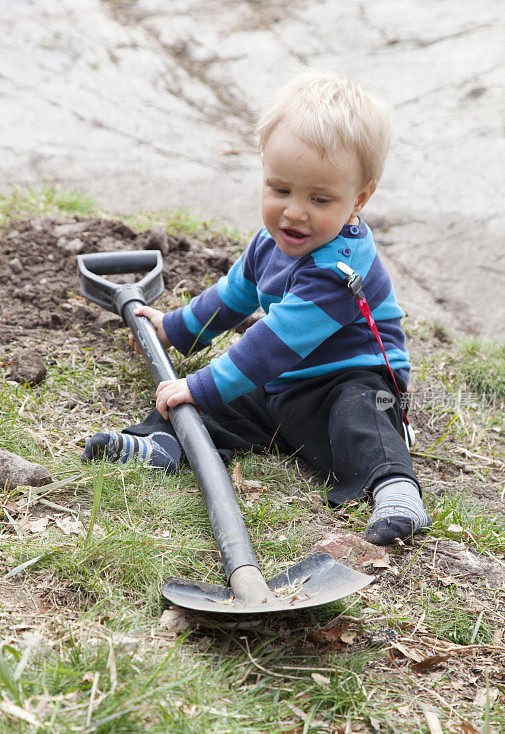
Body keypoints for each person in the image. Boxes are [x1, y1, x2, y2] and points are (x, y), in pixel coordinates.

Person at [83, 71, 432, 546]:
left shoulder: (340, 269)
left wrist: (200, 385)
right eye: (280, 189)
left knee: (361, 416)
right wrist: (175, 328)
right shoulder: (272, 241)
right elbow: (233, 294)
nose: (294, 212)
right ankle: (161, 444)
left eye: (320, 198)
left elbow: (271, 344)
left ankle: (393, 489)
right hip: (284, 384)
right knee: (215, 403)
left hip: (345, 378)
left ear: (359, 200)